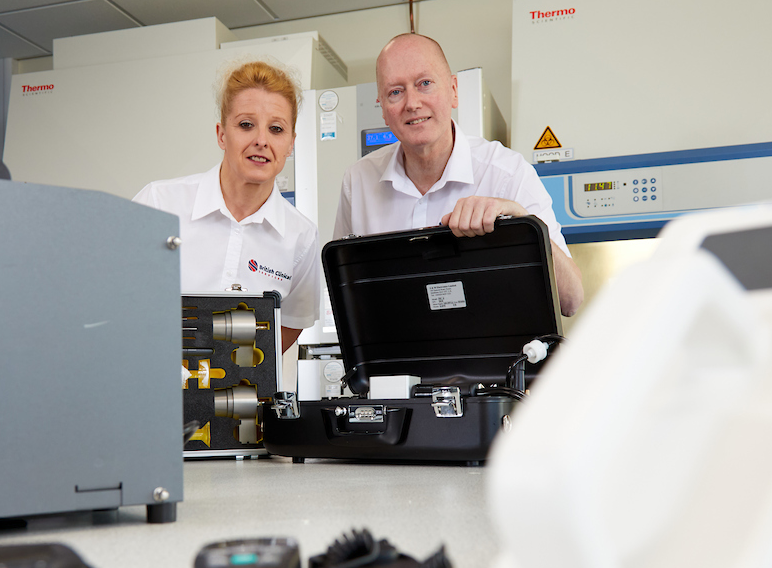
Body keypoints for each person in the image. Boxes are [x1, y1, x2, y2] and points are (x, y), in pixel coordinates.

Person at [334, 33, 584, 317]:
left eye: (424, 84)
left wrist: (520, 221)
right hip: (399, 357)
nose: (412, 103)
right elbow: (345, 298)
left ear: (453, 90)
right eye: (395, 92)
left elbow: (571, 300)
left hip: (496, 359)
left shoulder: (507, 174)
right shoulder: (358, 183)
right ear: (383, 108)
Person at [134, 60, 321, 350]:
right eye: (246, 125)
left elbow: (288, 327)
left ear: (291, 143)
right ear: (222, 134)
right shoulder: (159, 204)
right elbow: (113, 297)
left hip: (238, 393)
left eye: (276, 129)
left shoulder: (301, 237)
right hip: (152, 389)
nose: (261, 140)